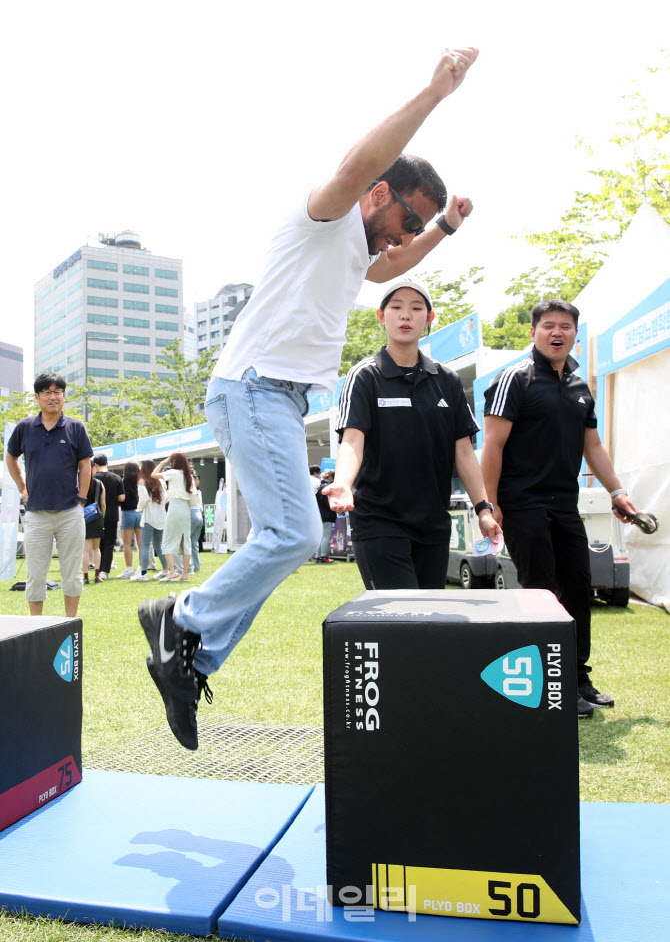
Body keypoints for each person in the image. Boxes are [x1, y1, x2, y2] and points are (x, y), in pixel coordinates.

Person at [139, 46, 480, 750]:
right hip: (253, 386)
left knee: (285, 542)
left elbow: (403, 260)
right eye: (408, 219)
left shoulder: (362, 253)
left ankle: (191, 657)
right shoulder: (324, 215)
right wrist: (432, 94)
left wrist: (445, 225)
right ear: (381, 194)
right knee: (296, 534)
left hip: (280, 402)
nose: (407, 237)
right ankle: (182, 616)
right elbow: (358, 165)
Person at [481, 298, 639, 719]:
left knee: (578, 585)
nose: (557, 332)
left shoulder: (578, 385)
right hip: (522, 503)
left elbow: (593, 445)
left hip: (564, 503)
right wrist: (490, 504)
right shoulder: (514, 379)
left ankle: (577, 676)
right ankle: (550, 686)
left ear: (575, 335)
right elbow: (492, 446)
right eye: (548, 325)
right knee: (541, 591)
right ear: (533, 332)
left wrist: (617, 491)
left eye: (565, 327)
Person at [327, 279, 500, 589]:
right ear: (381, 316)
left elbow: (463, 452)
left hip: (433, 524)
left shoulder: (446, 380)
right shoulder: (365, 375)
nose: (405, 315)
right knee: (401, 617)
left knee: (428, 620)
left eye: (416, 308)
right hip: (380, 521)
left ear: (429, 319)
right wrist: (342, 483)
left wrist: (483, 510)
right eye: (396, 307)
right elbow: (352, 440)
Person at [5, 373, 93, 617]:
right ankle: (37, 626)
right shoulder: (25, 427)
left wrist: (82, 499)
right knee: (35, 574)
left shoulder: (76, 427)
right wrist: (22, 487)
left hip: (70, 512)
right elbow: (11, 457)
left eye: (58, 392)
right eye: (47, 392)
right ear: (37, 397)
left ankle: (70, 624)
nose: (53, 397)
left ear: (64, 396)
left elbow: (85, 464)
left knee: (72, 574)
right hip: (36, 513)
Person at [152, 452, 197, 581]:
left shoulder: (173, 473)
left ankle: (172, 571)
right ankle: (185, 573)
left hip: (175, 507)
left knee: (167, 540)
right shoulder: (188, 476)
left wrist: (163, 462)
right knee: (185, 540)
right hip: (186, 509)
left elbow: (153, 474)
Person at [131, 460, 168, 582]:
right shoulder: (161, 482)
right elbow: (166, 499)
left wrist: (140, 510)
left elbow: (143, 500)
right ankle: (166, 569)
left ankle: (143, 573)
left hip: (148, 517)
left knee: (145, 545)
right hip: (161, 516)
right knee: (159, 545)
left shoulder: (142, 483)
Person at [92, 454, 125, 579]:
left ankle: (97, 568)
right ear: (107, 463)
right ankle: (104, 571)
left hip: (95, 515)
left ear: (95, 465)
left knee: (96, 544)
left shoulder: (93, 479)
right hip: (112, 515)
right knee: (109, 543)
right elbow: (122, 497)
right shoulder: (116, 478)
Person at [82, 459, 106, 584]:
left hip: (83, 517)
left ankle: (85, 576)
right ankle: (97, 574)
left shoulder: (80, 483)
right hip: (96, 517)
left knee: (85, 549)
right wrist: (102, 517)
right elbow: (103, 503)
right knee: (96, 548)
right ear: (93, 468)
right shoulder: (99, 483)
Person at [117, 462, 142, 578]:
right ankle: (142, 567)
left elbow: (121, 498)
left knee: (127, 544)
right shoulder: (141, 482)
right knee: (142, 544)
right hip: (140, 513)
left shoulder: (123, 482)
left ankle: (129, 568)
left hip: (127, 513)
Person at [315, 470, 337, 563]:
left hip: (318, 514)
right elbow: (328, 502)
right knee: (326, 535)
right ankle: (323, 556)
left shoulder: (318, 487)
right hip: (327, 514)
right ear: (331, 478)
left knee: (320, 536)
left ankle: (318, 556)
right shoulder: (328, 487)